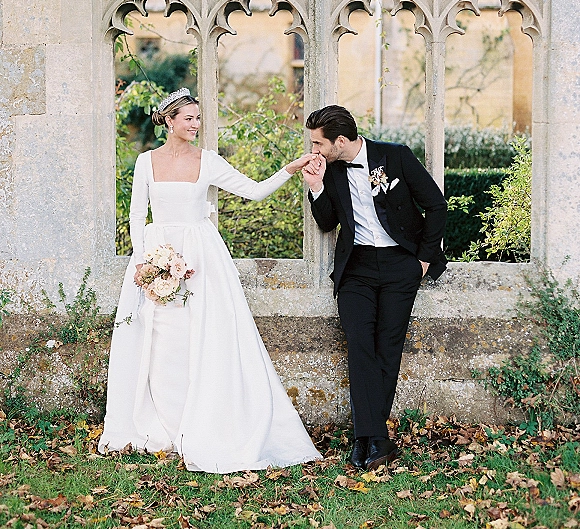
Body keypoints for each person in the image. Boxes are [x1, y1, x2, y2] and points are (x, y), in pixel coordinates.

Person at [99, 88, 320, 473]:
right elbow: (137, 214)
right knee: (161, 339)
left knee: (201, 336)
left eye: (199, 118)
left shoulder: (209, 161)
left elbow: (253, 191)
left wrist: (291, 168)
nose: (196, 125)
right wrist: (144, 261)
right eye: (189, 118)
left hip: (201, 258)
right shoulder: (145, 162)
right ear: (168, 121)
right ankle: (163, 424)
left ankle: (204, 423)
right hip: (157, 256)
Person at [301, 105, 447, 471]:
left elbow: (436, 204)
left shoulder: (395, 156)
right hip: (357, 269)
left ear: (340, 141)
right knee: (360, 344)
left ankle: (367, 438)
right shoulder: (330, 170)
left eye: (319, 143)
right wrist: (316, 187)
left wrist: (424, 261)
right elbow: (327, 223)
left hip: (402, 265)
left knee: (388, 347)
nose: (314, 150)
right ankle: (373, 439)